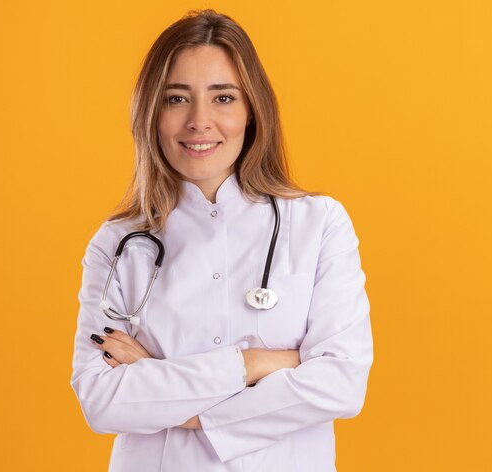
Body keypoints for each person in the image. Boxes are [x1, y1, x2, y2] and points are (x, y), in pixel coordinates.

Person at [70, 9, 373, 471]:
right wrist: (255, 364)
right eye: (176, 98)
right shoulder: (118, 244)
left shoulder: (319, 224)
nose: (199, 121)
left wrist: (167, 393)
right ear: (152, 113)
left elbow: (341, 383)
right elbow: (102, 401)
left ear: (252, 111)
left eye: (223, 98)